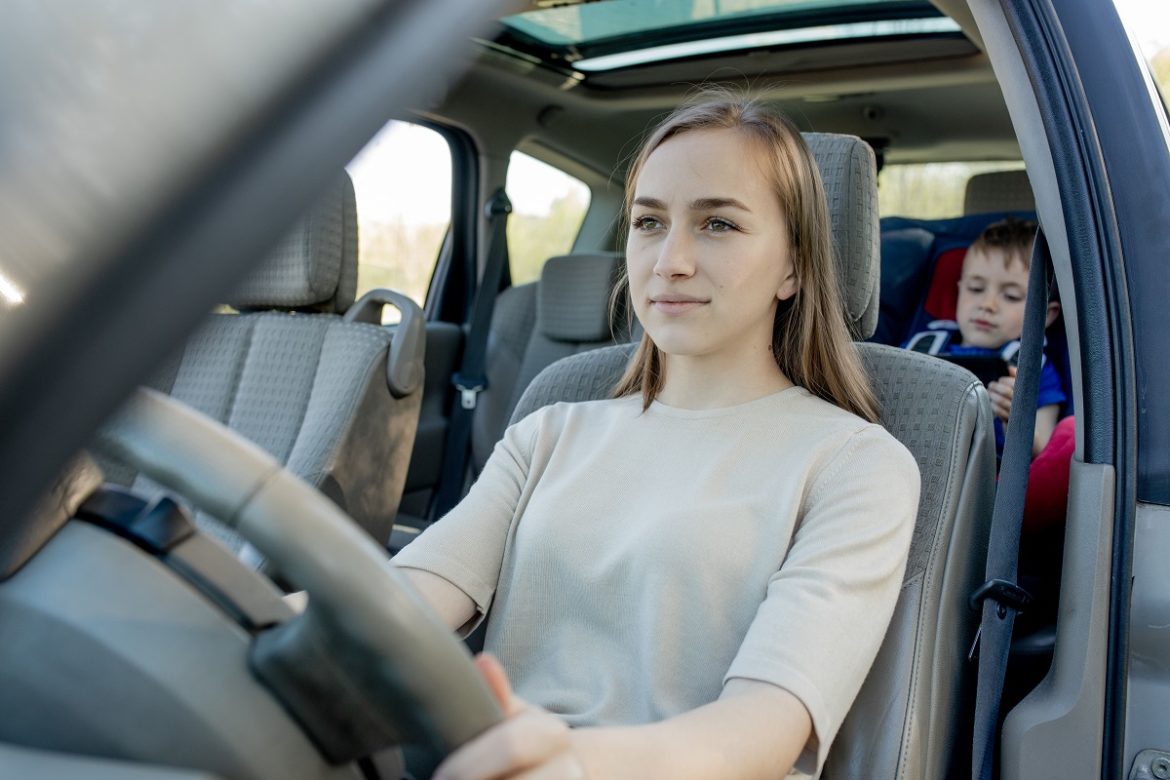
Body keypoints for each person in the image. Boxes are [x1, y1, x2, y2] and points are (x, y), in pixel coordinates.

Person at [392, 95, 921, 780]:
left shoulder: (857, 465)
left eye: (718, 224)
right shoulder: (549, 429)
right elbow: (396, 604)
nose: (669, 261)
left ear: (793, 266)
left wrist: (573, 761)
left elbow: (762, 730)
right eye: (649, 222)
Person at [903, 218, 1066, 458]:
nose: (987, 305)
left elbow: (1041, 454)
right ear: (959, 289)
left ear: (1046, 315)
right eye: (976, 289)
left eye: (1010, 296)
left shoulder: (1034, 371)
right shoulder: (919, 347)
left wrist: (1016, 419)